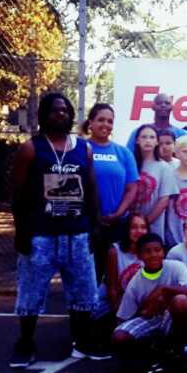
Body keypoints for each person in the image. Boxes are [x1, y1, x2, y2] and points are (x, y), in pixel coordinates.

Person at [10, 93, 107, 367]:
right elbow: (17, 193)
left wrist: (95, 225)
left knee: (83, 290)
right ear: (43, 115)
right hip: (41, 233)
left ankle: (83, 341)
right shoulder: (31, 148)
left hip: (77, 232)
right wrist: (22, 232)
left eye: (65, 110)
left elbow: (91, 188)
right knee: (31, 291)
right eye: (54, 111)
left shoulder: (82, 148)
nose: (60, 114)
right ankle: (25, 342)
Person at [112, 233, 187, 361]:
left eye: (157, 250)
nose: (153, 255)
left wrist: (164, 289)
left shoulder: (176, 266)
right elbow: (123, 317)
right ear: (139, 255)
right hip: (150, 319)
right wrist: (146, 309)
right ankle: (152, 351)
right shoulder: (135, 282)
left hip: (172, 318)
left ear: (163, 251)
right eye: (147, 252)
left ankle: (178, 348)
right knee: (119, 337)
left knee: (181, 300)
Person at [83, 103, 138, 266]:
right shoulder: (79, 149)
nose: (106, 125)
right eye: (101, 120)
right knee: (89, 273)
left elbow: (131, 188)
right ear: (90, 122)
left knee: (114, 272)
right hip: (87, 223)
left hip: (117, 225)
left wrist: (118, 214)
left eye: (110, 121)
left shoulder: (123, 153)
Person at [131, 124, 179, 240]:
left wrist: (145, 223)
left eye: (152, 137)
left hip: (154, 226)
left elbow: (164, 200)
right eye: (144, 137)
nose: (148, 141)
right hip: (130, 225)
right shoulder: (130, 164)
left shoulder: (164, 167)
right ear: (137, 140)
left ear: (157, 142)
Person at [104, 213, 147, 312]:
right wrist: (119, 313)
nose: (139, 231)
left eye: (143, 227)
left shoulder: (150, 251)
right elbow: (112, 289)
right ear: (127, 229)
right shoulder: (114, 251)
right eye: (134, 227)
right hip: (113, 300)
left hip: (136, 302)